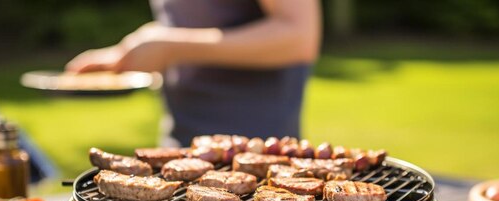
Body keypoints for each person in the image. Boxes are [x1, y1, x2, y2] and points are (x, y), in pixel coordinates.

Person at [67, 0, 321, 147]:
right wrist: (124, 55)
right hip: (179, 148)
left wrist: (171, 46)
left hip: (260, 155)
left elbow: (299, 35)